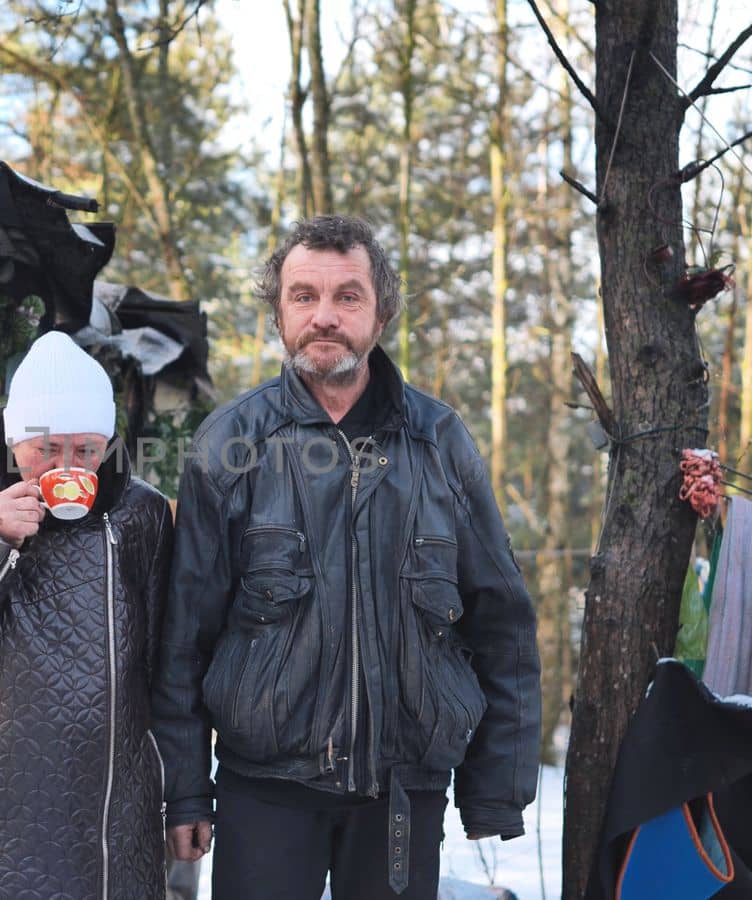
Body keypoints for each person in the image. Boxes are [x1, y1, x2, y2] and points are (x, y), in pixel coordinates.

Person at [151, 215, 541, 900]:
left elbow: (501, 619)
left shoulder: (440, 442)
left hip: (402, 794)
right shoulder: (230, 445)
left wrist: (495, 791)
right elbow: (183, 635)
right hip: (264, 791)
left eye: (347, 297)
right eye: (304, 296)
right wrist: (184, 789)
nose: (324, 316)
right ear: (278, 313)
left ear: (381, 313)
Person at [0, 331, 174, 899]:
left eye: (86, 451)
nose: (67, 466)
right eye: (46, 450)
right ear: (15, 439)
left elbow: (170, 660)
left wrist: (185, 793)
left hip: (111, 827)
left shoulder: (140, 513)